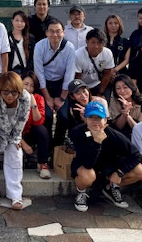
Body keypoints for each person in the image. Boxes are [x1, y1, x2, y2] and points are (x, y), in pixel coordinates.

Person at [70, 101, 142, 212]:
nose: (95, 121)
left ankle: (110, 187)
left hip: (108, 167)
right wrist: (97, 142)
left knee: (140, 171)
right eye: (91, 117)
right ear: (85, 119)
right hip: (86, 165)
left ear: (105, 120)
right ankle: (81, 192)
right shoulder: (77, 132)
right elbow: (87, 164)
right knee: (88, 175)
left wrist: (120, 172)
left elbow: (135, 154)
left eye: (99, 118)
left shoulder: (113, 134)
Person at [0, 71, 31, 211]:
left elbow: (22, 120)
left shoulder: (26, 98)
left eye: (14, 93)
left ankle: (15, 195)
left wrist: (15, 138)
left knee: (16, 153)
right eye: (6, 92)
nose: (9, 96)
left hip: (13, 130)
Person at [33, 18, 76, 149]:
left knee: (63, 117)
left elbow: (69, 75)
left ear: (63, 33)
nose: (55, 34)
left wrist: (62, 98)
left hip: (61, 85)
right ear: (46, 33)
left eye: (58, 31)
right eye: (51, 31)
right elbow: (39, 73)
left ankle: (57, 146)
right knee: (46, 116)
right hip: (44, 85)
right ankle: (45, 145)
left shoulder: (69, 48)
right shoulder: (39, 46)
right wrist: (48, 98)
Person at [19, 71, 50, 179]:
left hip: (29, 132)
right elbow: (9, 126)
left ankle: (42, 163)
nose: (28, 88)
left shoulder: (38, 98)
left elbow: (38, 121)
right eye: (26, 84)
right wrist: (23, 144)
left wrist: (33, 104)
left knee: (42, 130)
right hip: (14, 134)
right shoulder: (13, 97)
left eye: (32, 86)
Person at [73, 28, 115, 100]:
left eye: (100, 43)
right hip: (82, 86)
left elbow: (107, 74)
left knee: (103, 102)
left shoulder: (107, 53)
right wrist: (88, 95)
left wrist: (100, 93)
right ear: (87, 42)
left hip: (99, 83)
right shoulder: (78, 55)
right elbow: (77, 78)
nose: (96, 46)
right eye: (93, 42)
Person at [108, 74, 142, 139]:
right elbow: (117, 127)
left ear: (131, 87)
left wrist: (127, 115)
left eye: (125, 87)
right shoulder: (114, 101)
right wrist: (125, 112)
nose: (122, 91)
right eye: (118, 88)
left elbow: (140, 130)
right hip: (121, 135)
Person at [8, 10, 34, 74]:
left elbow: (32, 57)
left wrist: (27, 72)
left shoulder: (30, 38)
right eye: (17, 20)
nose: (19, 23)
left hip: (25, 72)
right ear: (12, 21)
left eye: (22, 21)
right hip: (11, 73)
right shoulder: (6, 37)